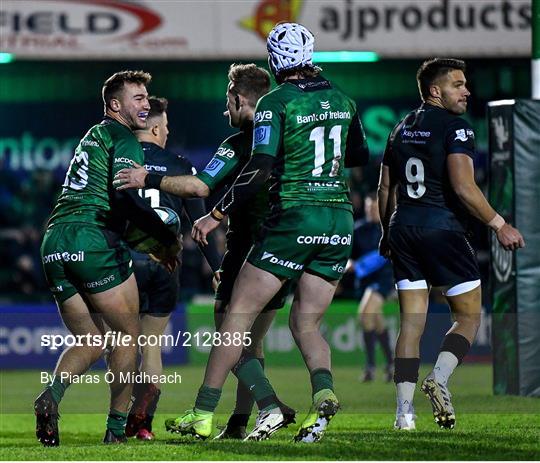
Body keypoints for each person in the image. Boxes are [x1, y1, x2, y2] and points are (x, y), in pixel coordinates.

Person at [164, 22, 369, 442]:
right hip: (339, 220)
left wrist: (215, 215)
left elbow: (258, 168)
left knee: (235, 319)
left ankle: (203, 413)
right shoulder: (343, 100)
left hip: (294, 217)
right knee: (306, 324)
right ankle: (324, 392)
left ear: (277, 59)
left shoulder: (276, 103)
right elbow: (359, 154)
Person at [114, 63, 294, 440]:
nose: (224, 110)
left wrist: (149, 178)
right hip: (290, 247)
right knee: (251, 343)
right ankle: (241, 421)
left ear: (239, 98)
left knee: (228, 333)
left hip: (247, 252)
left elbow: (199, 186)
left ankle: (266, 406)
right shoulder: (289, 138)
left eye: (227, 101)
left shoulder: (235, 146)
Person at [378, 58, 525, 431]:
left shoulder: (399, 128)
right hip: (442, 229)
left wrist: (385, 232)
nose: (466, 91)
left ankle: (404, 415)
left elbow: (385, 188)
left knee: (411, 324)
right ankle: (439, 379)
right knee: (469, 316)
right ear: (435, 91)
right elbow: (463, 186)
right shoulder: (456, 128)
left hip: (403, 228)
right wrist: (499, 224)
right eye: (458, 85)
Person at [36, 71, 181, 446]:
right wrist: (166, 239)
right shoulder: (123, 137)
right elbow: (126, 198)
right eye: (137, 98)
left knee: (91, 339)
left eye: (147, 97)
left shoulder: (92, 135)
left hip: (54, 239)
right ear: (115, 105)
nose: (146, 104)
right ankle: (116, 430)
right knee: (127, 336)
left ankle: (50, 397)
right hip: (91, 237)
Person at [125, 96, 221, 440]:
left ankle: (116, 423)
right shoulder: (180, 165)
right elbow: (201, 225)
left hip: (124, 264)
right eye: (165, 127)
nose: (167, 132)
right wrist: (217, 269)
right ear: (154, 127)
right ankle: (143, 426)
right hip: (165, 264)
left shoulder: (116, 162)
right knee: (151, 345)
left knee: (121, 344)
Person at [347, 192, 394, 382]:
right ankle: (391, 365)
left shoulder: (388, 229)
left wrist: (358, 266)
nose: (371, 210)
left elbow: (387, 256)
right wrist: (349, 263)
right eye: (369, 207)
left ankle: (370, 367)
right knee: (375, 320)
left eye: (374, 207)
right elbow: (348, 254)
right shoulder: (358, 230)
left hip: (383, 280)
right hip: (364, 282)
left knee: (365, 315)